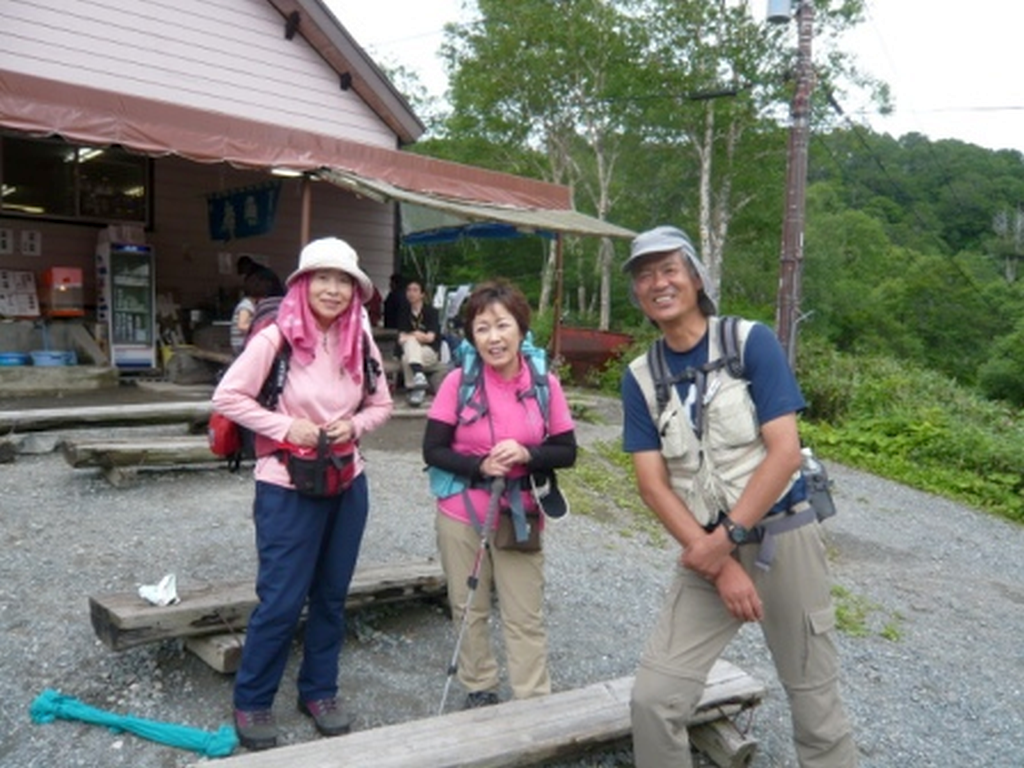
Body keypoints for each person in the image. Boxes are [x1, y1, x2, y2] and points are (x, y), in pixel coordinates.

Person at [620, 226, 858, 768]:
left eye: (669, 269)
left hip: (783, 534)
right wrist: (720, 561)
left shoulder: (750, 342)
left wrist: (727, 540)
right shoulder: (640, 376)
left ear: (697, 277)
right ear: (637, 294)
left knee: (814, 701)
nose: (657, 283)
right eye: (644, 275)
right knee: (654, 700)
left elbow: (785, 452)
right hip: (706, 552)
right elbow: (652, 485)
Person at [212, 237, 393, 751]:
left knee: (332, 595)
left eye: (344, 281)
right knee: (283, 600)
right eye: (324, 278)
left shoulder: (361, 335)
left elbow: (382, 404)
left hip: (346, 479)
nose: (334, 290)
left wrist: (354, 425)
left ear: (356, 290)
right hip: (286, 483)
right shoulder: (277, 335)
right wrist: (287, 427)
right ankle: (252, 699)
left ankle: (319, 690)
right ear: (303, 283)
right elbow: (227, 395)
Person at [422, 280, 577, 710]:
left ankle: (532, 698)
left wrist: (528, 452)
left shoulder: (545, 384)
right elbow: (432, 449)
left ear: (521, 330)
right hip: (460, 509)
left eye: (502, 325)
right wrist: (478, 465)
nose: (494, 337)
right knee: (467, 605)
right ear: (471, 334)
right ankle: (479, 686)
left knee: (524, 610)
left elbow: (567, 451)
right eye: (482, 327)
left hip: (520, 511)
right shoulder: (458, 382)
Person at [396, 277, 442, 407]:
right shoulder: (404, 312)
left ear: (422, 294)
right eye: (409, 290)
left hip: (429, 352)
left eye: (415, 290)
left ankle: (414, 387)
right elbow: (400, 339)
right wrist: (417, 335)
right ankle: (419, 381)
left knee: (407, 356)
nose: (411, 293)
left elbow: (430, 338)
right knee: (407, 353)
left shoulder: (431, 312)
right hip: (414, 353)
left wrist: (411, 335)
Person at [230, 269, 285, 356]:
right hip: (241, 345)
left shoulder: (252, 304)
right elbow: (242, 326)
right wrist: (258, 327)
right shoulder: (246, 305)